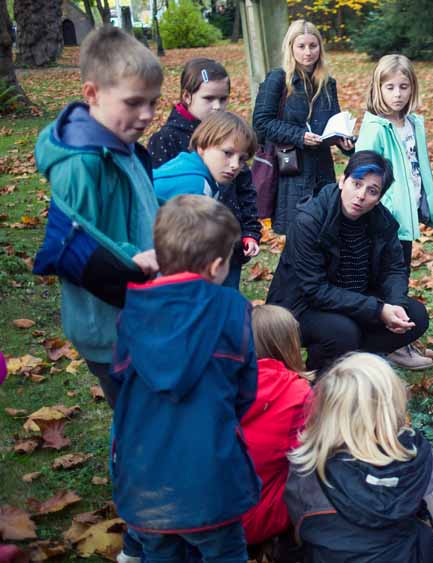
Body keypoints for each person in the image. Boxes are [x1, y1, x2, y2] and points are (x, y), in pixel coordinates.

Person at [110, 195, 259, 562]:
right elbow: (245, 390)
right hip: (211, 475)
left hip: (145, 478)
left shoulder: (132, 310)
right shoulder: (231, 309)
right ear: (215, 267)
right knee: (224, 552)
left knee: (160, 552)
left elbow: (119, 381)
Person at [32, 25, 162, 408]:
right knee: (138, 422)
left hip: (138, 311)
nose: (147, 115)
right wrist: (133, 258)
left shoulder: (121, 143)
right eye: (134, 102)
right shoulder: (83, 163)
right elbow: (80, 245)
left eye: (153, 102)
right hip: (109, 328)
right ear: (92, 94)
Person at [266, 151, 430, 372]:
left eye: (372, 191)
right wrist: (378, 309)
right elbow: (314, 289)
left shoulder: (382, 222)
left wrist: (395, 305)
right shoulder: (309, 221)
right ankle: (319, 375)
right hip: (301, 307)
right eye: (356, 184)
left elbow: (394, 269)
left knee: (416, 316)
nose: (361, 195)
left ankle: (355, 360)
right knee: (342, 331)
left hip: (354, 300)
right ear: (342, 181)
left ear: (379, 197)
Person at [284, 353, 433, 562]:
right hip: (404, 554)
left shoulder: (304, 467)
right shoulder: (416, 461)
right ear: (391, 408)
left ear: (325, 408)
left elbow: (299, 523)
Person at [355, 54, 433, 370]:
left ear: (412, 88)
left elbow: (417, 169)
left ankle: (400, 336)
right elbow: (362, 173)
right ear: (378, 88)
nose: (397, 93)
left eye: (403, 86)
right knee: (388, 280)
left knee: (400, 275)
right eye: (389, 86)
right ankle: (394, 343)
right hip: (383, 221)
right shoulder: (375, 127)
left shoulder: (413, 124)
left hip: (405, 220)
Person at [147, 58, 261, 289]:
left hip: (227, 244)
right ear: (187, 97)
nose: (217, 106)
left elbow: (245, 191)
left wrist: (249, 230)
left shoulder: (232, 137)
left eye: (223, 98)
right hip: (188, 253)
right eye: (209, 99)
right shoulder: (169, 142)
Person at [252, 19, 354, 234]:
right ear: (291, 48)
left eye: (313, 45)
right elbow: (261, 121)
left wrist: (344, 142)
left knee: (324, 232)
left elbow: (333, 122)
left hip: (322, 170)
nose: (308, 52)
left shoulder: (327, 82)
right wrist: (300, 136)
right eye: (301, 46)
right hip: (291, 169)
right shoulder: (278, 79)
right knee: (299, 235)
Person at [240, 304, 313, 546]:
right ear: (289, 345)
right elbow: (312, 457)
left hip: (190, 514)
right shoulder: (297, 393)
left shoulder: (215, 380)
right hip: (248, 520)